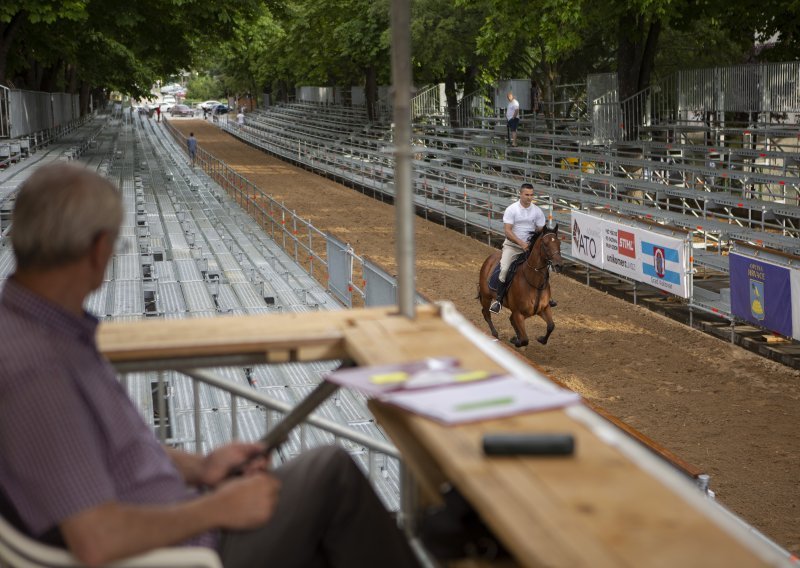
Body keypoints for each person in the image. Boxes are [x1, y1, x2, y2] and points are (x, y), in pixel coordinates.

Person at [0, 163, 420, 568]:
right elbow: (96, 539)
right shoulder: (37, 369)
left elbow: (105, 451)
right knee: (333, 476)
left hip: (176, 524)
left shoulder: (44, 330)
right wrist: (215, 509)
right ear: (98, 250)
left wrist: (201, 468)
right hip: (182, 550)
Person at [490, 182, 556, 314]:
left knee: (547, 269)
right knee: (504, 269)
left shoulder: (537, 211)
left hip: (530, 249)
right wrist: (521, 243)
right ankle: (498, 300)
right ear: (520, 194)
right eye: (526, 194)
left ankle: (546, 297)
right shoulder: (512, 209)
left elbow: (540, 230)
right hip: (513, 246)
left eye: (531, 195)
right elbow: (508, 231)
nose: (529, 197)